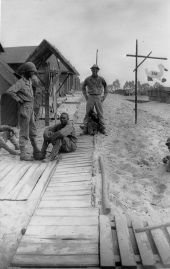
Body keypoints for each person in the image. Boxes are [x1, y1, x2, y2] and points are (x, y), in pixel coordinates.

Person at [6, 62, 41, 161]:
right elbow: (10, 91)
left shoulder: (29, 81)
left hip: (30, 108)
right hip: (25, 108)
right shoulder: (21, 82)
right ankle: (23, 154)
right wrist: (19, 100)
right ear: (26, 72)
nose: (33, 74)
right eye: (31, 72)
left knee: (33, 130)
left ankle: (35, 149)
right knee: (24, 131)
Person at [82, 64, 108, 134]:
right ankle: (85, 128)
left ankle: (102, 128)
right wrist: (85, 96)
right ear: (91, 70)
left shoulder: (101, 79)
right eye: (93, 69)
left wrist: (104, 97)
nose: (94, 71)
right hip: (90, 97)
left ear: (98, 70)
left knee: (100, 113)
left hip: (98, 97)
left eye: (96, 69)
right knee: (87, 113)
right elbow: (83, 87)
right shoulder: (87, 79)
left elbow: (106, 87)